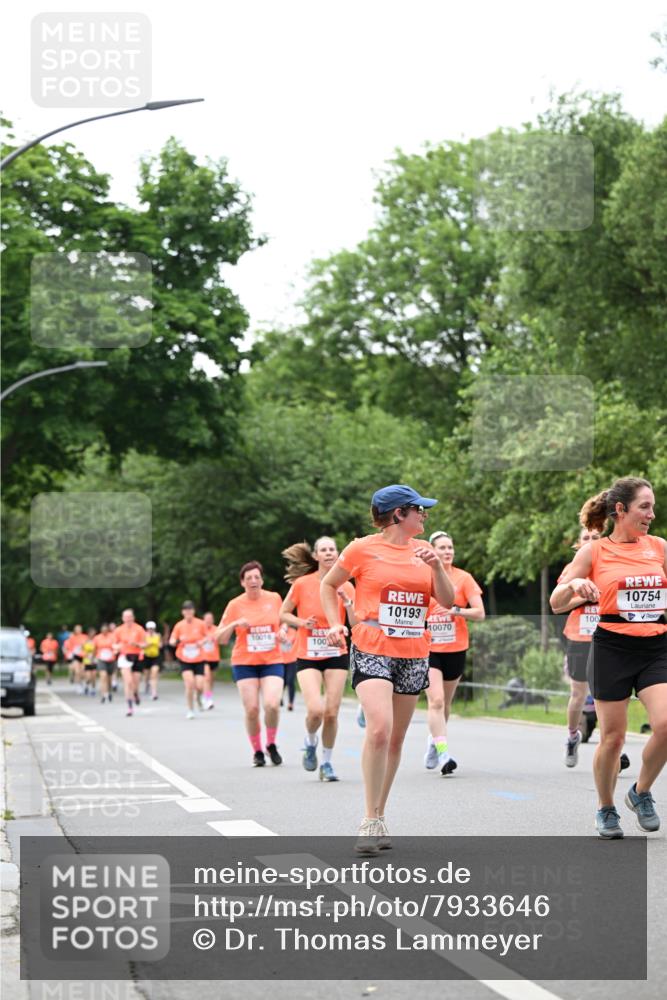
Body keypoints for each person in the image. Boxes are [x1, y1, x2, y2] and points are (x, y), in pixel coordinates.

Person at [321, 484, 455, 854]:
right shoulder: (362, 549)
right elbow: (329, 585)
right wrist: (336, 624)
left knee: (395, 739)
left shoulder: (424, 553)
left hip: (414, 651)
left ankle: (380, 813)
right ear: (399, 514)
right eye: (419, 510)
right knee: (379, 729)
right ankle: (367, 818)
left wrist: (437, 568)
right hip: (372, 645)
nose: (424, 515)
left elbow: (447, 600)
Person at [550, 477, 667, 839]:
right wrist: (574, 587)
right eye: (643, 507)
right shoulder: (594, 551)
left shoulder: (659, 547)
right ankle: (605, 807)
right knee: (612, 739)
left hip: (656, 648)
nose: (651, 514)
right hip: (612, 649)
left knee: (665, 726)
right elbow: (556, 603)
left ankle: (641, 792)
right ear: (621, 511)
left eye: (651, 506)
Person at [280, 538, 355, 782]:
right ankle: (310, 741)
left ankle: (327, 762)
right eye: (323, 550)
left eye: (332, 549)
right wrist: (302, 623)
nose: (328, 553)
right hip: (307, 654)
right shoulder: (302, 584)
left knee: (331, 713)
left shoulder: (347, 585)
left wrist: (347, 603)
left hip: (336, 652)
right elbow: (283, 614)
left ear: (337, 554)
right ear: (316, 556)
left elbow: (355, 624)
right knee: (315, 711)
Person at [424, 530, 485, 775]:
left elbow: (480, 613)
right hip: (428, 648)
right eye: (442, 548)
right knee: (436, 700)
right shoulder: (423, 576)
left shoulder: (464, 578)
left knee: (445, 704)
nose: (447, 552)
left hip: (456, 647)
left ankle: (433, 740)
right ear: (432, 551)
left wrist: (456, 611)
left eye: (450, 548)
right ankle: (443, 753)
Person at [216, 562, 285, 767]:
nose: (253, 581)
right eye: (249, 578)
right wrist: (235, 624)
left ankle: (271, 744)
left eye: (257, 577)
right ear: (242, 582)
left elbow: (284, 621)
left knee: (272, 705)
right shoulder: (235, 605)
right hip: (244, 662)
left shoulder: (274, 598)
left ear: (262, 580)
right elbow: (219, 637)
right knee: (252, 709)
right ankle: (257, 751)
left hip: (272, 660)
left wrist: (283, 630)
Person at [169, 602, 208, 719]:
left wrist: (203, 641)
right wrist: (173, 642)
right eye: (186, 611)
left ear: (193, 611)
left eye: (190, 610)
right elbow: (172, 639)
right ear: (183, 612)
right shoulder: (179, 625)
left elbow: (208, 636)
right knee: (190, 684)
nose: (188, 613)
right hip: (184, 657)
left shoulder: (201, 624)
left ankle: (199, 698)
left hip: (199, 657)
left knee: (200, 685)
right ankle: (190, 710)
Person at [112, 610, 147, 716]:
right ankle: (130, 707)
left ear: (133, 617)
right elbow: (114, 644)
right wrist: (117, 647)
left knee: (135, 683)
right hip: (124, 657)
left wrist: (136, 644)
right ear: (123, 618)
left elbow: (145, 644)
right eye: (126, 617)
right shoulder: (119, 630)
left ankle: (135, 693)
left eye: (130, 617)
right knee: (128, 682)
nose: (128, 619)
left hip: (137, 656)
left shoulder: (139, 629)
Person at [201, 612, 220, 710]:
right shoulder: (200, 629)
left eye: (210, 619)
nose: (208, 620)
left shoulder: (217, 629)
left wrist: (215, 638)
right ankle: (207, 699)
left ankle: (208, 695)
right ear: (203, 620)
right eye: (206, 619)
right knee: (207, 678)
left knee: (211, 680)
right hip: (203, 658)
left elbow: (222, 640)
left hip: (214, 657)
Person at [94, 624, 116, 704]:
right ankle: (103, 694)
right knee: (103, 676)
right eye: (103, 631)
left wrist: (115, 651)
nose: (104, 632)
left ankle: (109, 692)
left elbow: (115, 647)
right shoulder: (97, 638)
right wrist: (94, 657)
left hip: (111, 659)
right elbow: (94, 648)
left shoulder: (112, 637)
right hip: (101, 659)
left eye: (106, 631)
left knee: (109, 679)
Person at [279, 625, 298, 711]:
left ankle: (291, 703)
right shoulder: (277, 630)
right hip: (280, 660)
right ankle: (279, 697)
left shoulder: (294, 632)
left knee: (290, 681)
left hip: (292, 660)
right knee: (282, 681)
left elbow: (298, 644)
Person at [142, 621, 162, 701]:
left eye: (152, 629)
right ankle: (147, 685)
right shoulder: (144, 636)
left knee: (154, 674)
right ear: (147, 629)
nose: (151, 630)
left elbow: (161, 645)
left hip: (155, 657)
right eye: (149, 629)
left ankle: (154, 693)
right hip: (146, 657)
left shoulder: (158, 635)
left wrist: (156, 644)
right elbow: (142, 645)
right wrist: (147, 644)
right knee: (147, 675)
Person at [63, 625, 85, 690]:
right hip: (75, 656)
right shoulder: (72, 638)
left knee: (82, 672)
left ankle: (82, 682)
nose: (78, 630)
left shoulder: (84, 637)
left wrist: (83, 647)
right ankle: (78, 685)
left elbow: (87, 645)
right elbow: (66, 647)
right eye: (77, 629)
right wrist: (68, 653)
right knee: (77, 671)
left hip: (83, 656)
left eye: (79, 629)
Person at [81, 627, 97, 696]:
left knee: (93, 676)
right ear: (89, 633)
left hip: (94, 661)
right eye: (91, 633)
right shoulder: (85, 641)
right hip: (87, 661)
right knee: (88, 677)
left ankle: (93, 689)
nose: (93, 634)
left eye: (94, 633)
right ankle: (86, 686)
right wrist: (86, 655)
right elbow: (82, 650)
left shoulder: (96, 640)